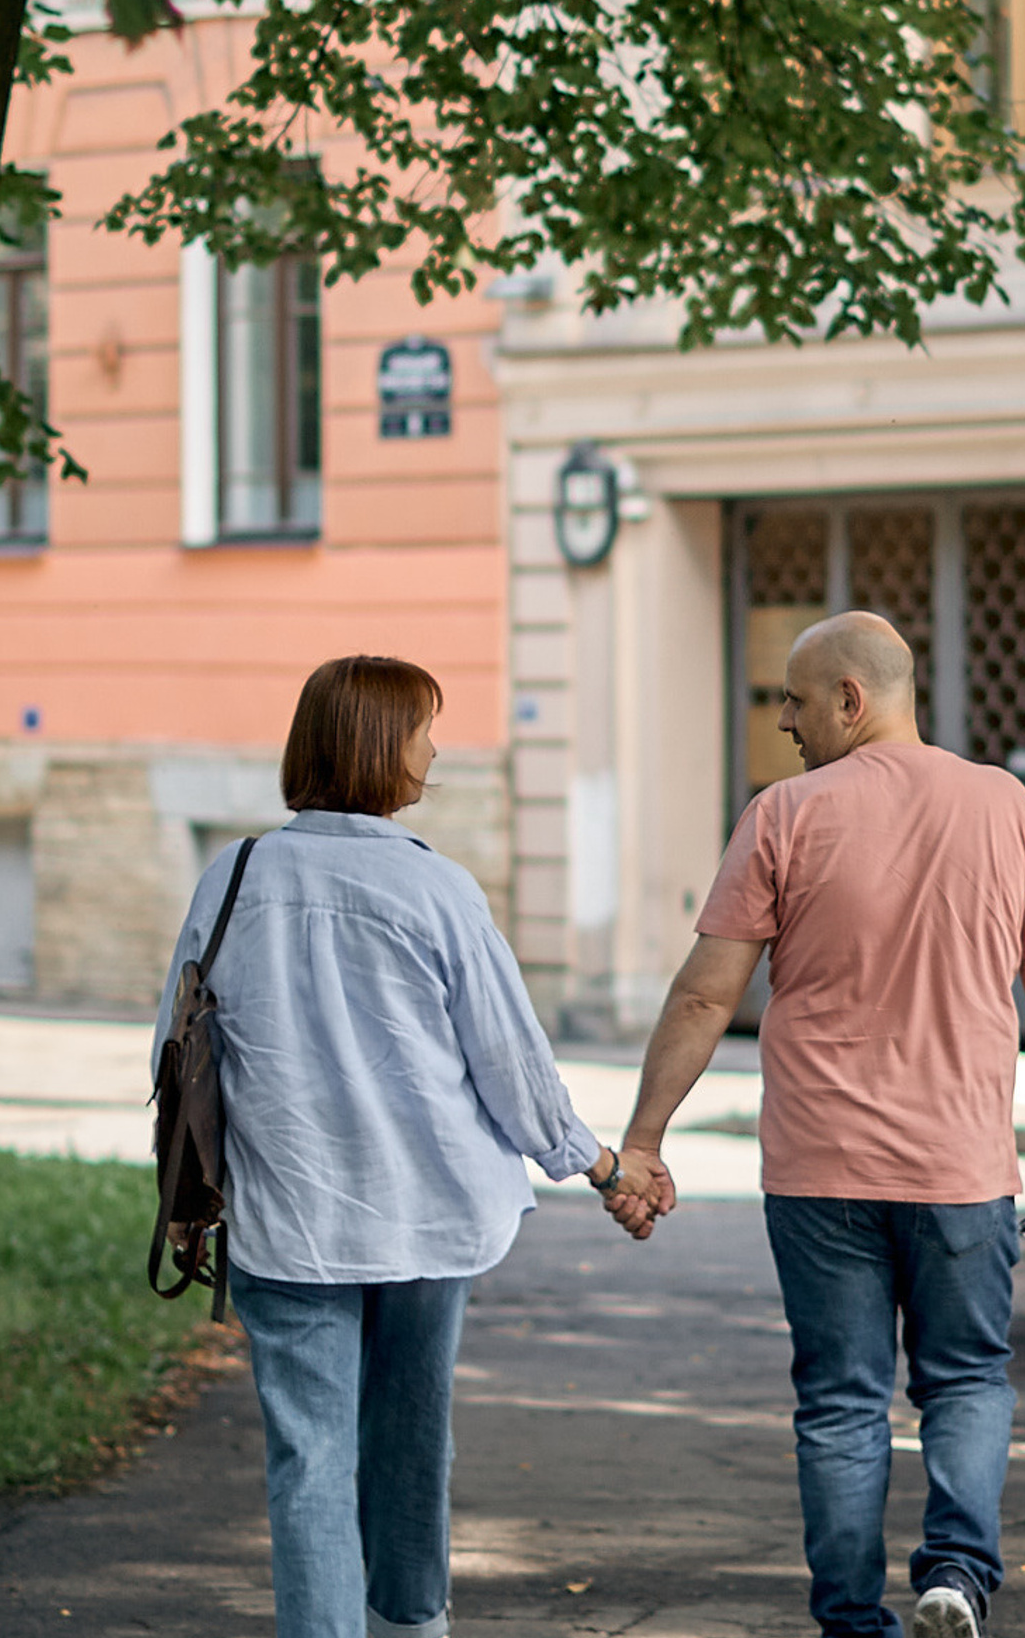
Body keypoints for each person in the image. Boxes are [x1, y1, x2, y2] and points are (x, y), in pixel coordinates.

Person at [154, 654, 658, 1638]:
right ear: (385, 749)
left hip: (287, 1220)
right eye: (426, 728)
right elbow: (511, 1067)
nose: (438, 747)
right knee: (410, 1447)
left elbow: (181, 1051)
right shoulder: (438, 892)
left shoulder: (236, 874)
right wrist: (601, 1166)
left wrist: (187, 1200)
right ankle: (412, 1626)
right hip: (426, 1220)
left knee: (310, 1466)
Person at [607, 612, 1025, 1638]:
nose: (782, 720)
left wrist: (645, 1139)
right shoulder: (1006, 806)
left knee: (839, 1402)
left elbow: (704, 997)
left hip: (820, 1171)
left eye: (794, 699)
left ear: (850, 700)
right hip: (961, 1170)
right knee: (966, 1378)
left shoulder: (781, 815)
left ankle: (851, 1621)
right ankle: (956, 1574)